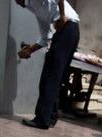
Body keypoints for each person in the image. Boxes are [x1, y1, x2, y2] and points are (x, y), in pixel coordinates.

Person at [16, 0, 80, 130]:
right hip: (68, 31)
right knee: (54, 77)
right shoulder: (36, 11)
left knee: (50, 76)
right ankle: (50, 117)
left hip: (67, 28)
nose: (16, 3)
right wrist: (29, 50)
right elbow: (45, 38)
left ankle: (42, 120)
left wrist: (62, 17)